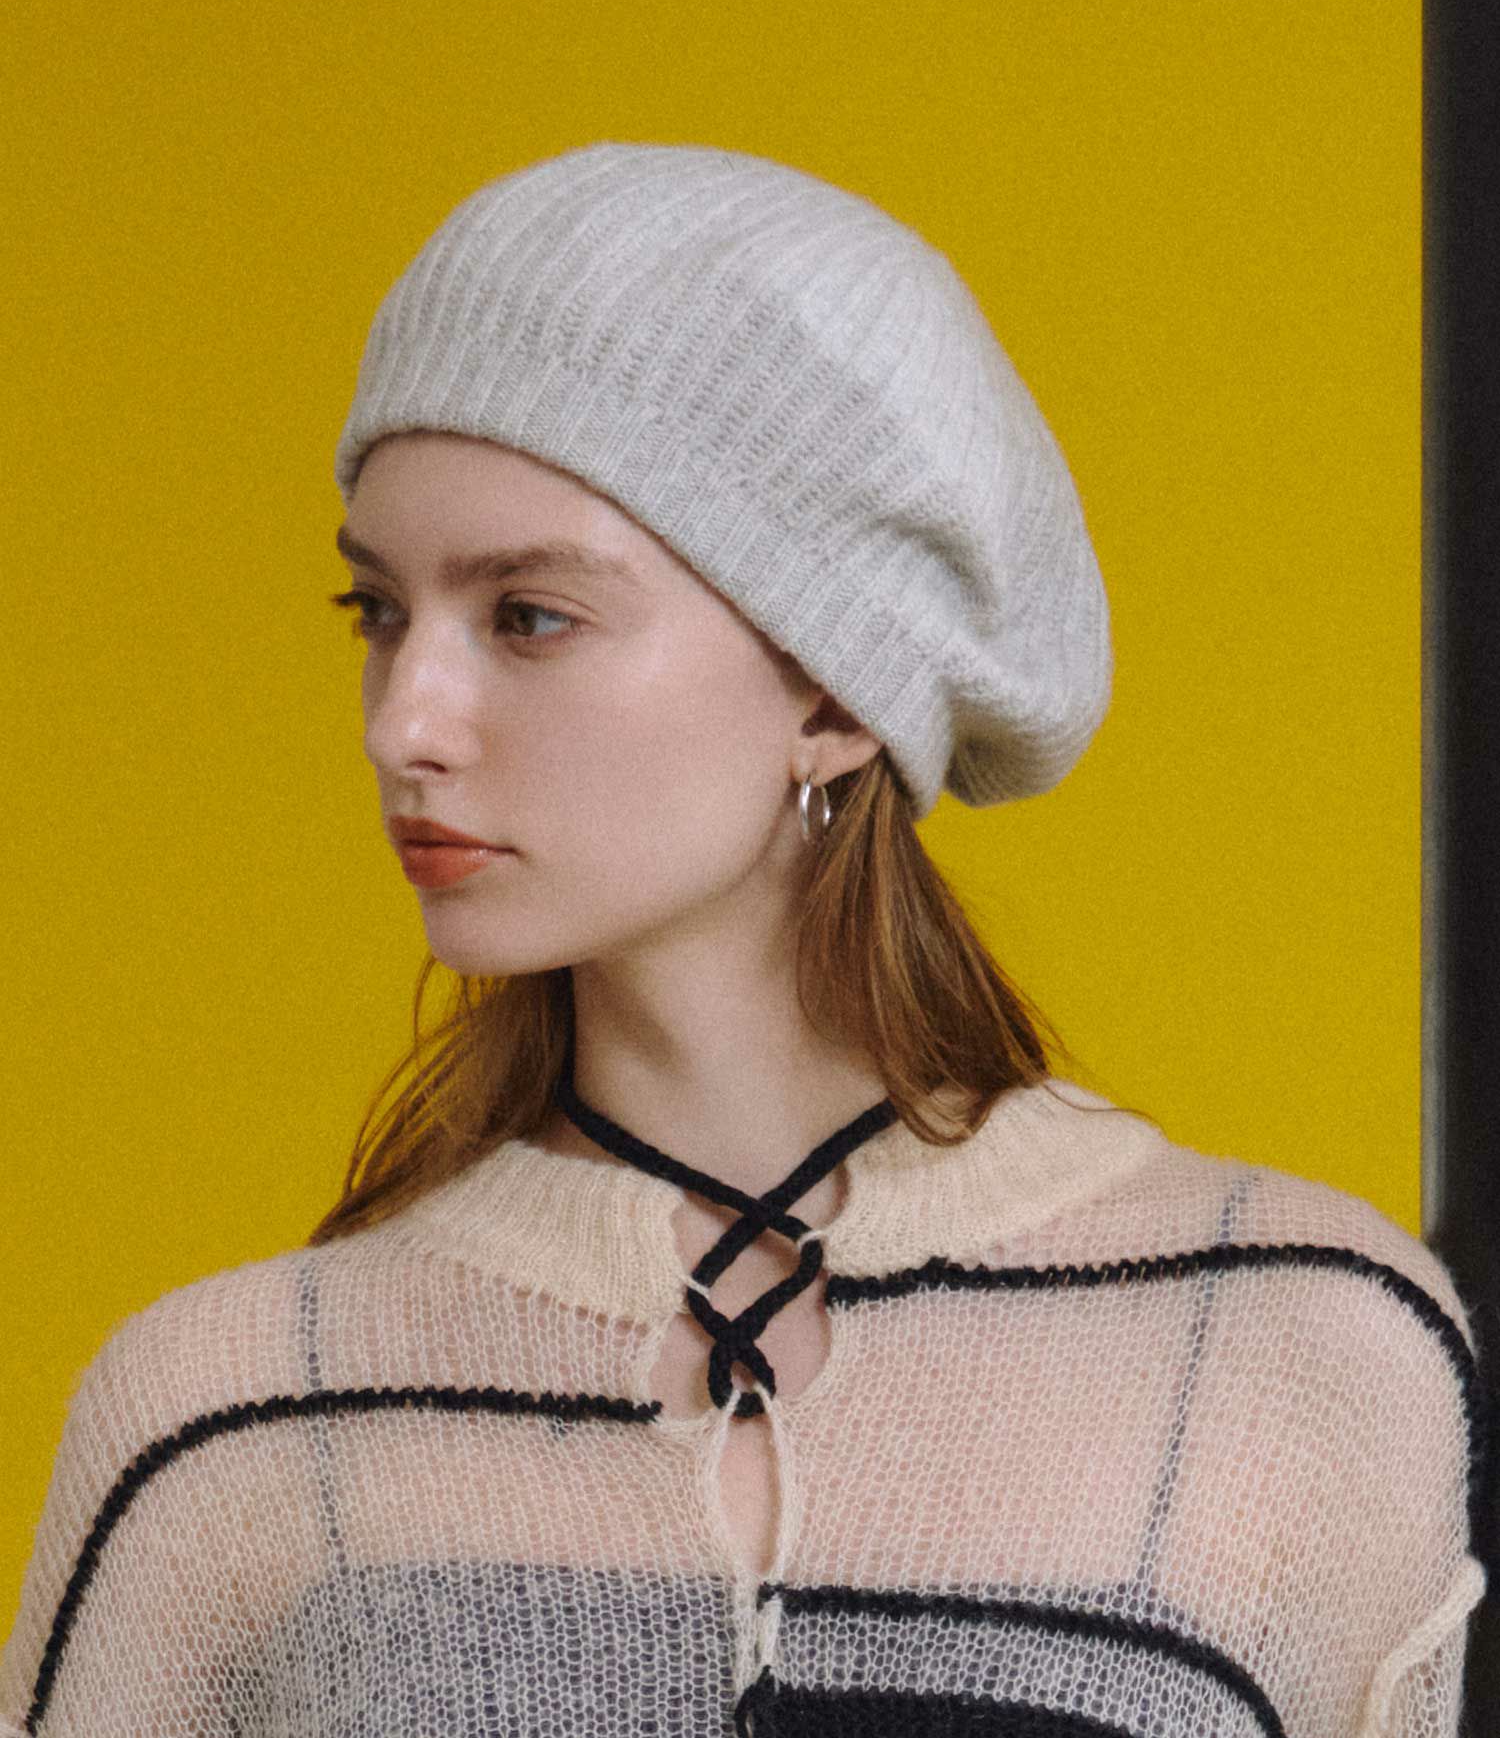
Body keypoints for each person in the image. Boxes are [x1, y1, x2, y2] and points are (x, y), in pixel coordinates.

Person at [1, 141, 1487, 1738]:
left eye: (528, 616)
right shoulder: (224, 1419)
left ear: (834, 690)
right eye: (380, 613)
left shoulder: (1301, 1343)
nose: (405, 721)